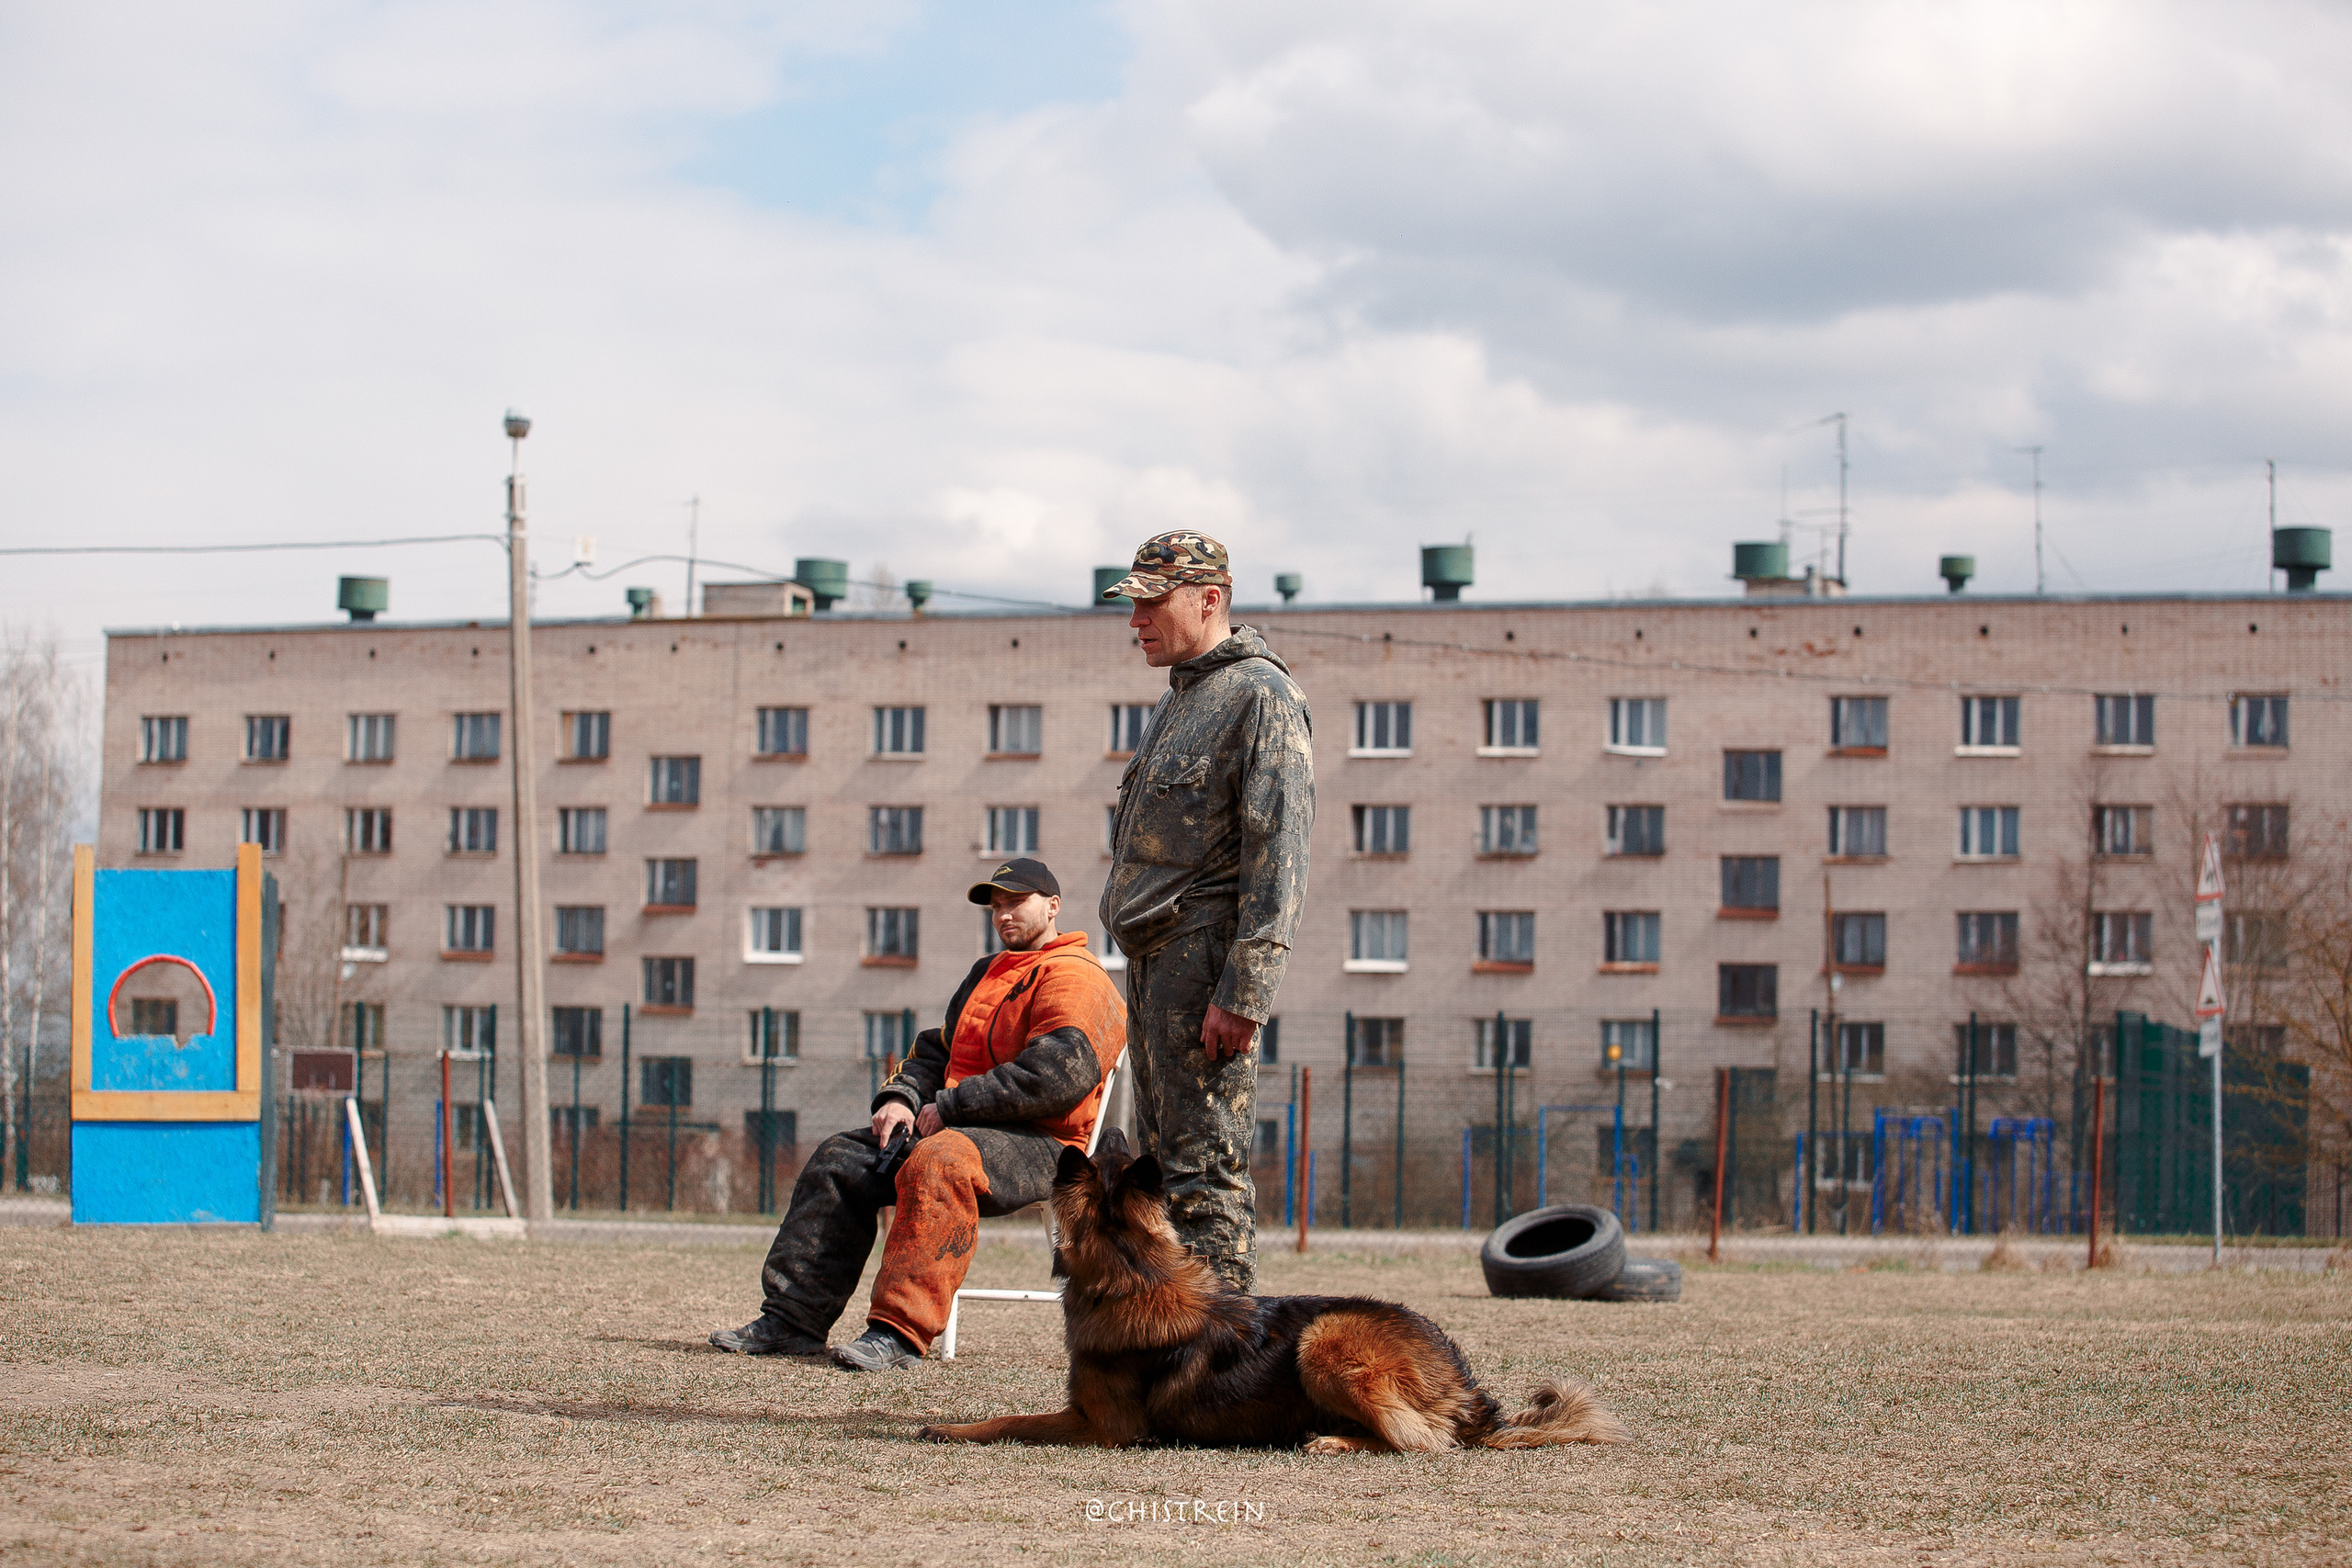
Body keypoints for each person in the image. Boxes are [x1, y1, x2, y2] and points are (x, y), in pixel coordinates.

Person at [709, 858, 1126, 1370]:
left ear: (1054, 906)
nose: (1002, 916)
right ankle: (792, 1322)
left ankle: (897, 1334)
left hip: (1045, 1145)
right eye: (995, 906)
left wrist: (950, 1105)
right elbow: (936, 1052)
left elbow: (1057, 1077)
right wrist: (900, 1098)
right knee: (841, 1157)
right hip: (957, 1128)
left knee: (940, 1160)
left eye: (1015, 903)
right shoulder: (988, 972)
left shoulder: (1078, 979)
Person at [1099, 531, 1314, 1293]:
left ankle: (1221, 1373)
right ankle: (1168, 1370)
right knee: (1159, 1173)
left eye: (1152, 602)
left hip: (1205, 969)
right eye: (1134, 605)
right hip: (1154, 965)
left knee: (1203, 1175)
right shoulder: (1181, 701)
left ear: (1208, 598)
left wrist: (1244, 991)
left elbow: (1279, 854)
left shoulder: (1262, 695)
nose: (1137, 620)